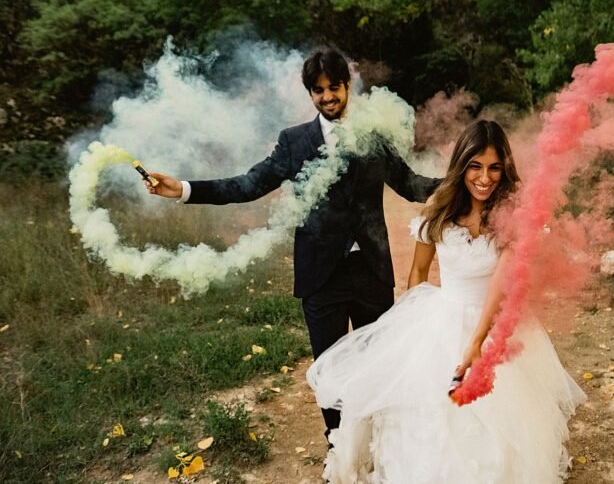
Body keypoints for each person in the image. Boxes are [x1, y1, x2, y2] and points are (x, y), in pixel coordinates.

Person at [145, 47, 441, 441]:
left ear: (347, 86)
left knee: (379, 365)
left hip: (371, 271)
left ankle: (382, 444)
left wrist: (465, 184)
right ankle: (338, 445)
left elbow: (411, 185)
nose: (327, 97)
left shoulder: (373, 135)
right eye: (318, 90)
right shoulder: (293, 142)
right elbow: (248, 185)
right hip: (321, 277)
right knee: (329, 369)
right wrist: (183, 189)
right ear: (310, 94)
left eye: (333, 87)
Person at [306, 120, 586, 484]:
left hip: (494, 324)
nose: (484, 178)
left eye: (494, 168)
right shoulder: (438, 208)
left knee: (499, 419)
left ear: (505, 169)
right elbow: (419, 271)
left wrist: (478, 342)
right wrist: (410, 324)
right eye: (475, 166)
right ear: (461, 165)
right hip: (440, 318)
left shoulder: (512, 214)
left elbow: (502, 284)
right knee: (428, 414)